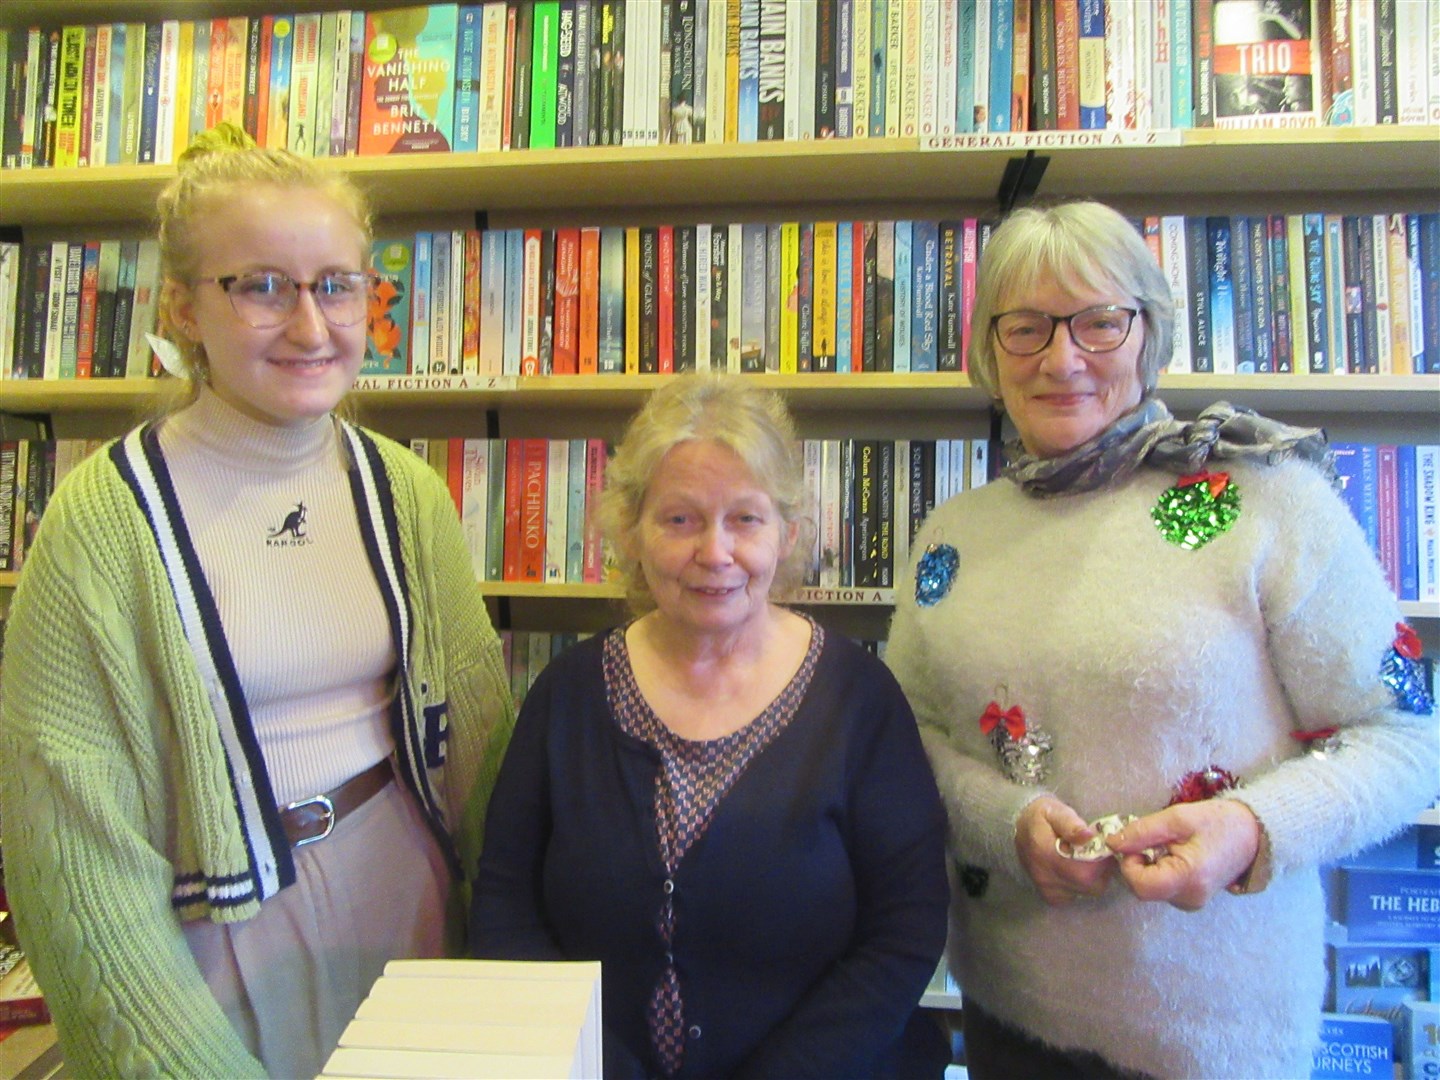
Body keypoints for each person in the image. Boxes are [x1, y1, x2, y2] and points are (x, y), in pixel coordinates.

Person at [0, 124, 514, 1078]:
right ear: (185, 309)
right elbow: (72, 856)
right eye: (262, 286)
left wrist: (512, 947)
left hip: (410, 891)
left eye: (337, 284)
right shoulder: (99, 524)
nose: (312, 326)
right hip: (212, 937)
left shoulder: (409, 493)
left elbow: (479, 747)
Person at [884, 200, 1437, 1080]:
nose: (1063, 359)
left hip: (1216, 1040)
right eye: (1025, 328)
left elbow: (1408, 733)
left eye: (1101, 322)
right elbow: (902, 737)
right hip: (1006, 1016)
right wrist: (1006, 823)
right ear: (990, 352)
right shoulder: (954, 539)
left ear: (1152, 333)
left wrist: (1251, 828)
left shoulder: (1264, 504)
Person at [471, 373, 950, 1078]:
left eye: (745, 519)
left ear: (787, 532)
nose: (716, 552)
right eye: (680, 519)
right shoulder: (565, 696)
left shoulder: (860, 700)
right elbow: (505, 910)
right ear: (631, 532)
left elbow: (905, 931)